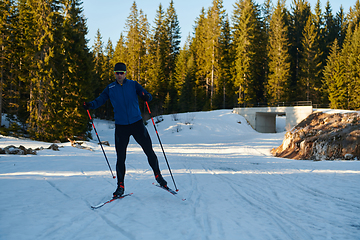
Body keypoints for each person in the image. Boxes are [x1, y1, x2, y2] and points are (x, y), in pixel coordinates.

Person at [83, 62, 167, 198]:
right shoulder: (110, 88)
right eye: (117, 73)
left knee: (149, 151)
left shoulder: (133, 84)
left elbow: (146, 94)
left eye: (122, 73)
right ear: (114, 73)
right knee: (120, 157)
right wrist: (90, 105)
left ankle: (158, 176)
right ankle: (120, 186)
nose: (119, 75)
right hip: (121, 127)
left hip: (137, 123)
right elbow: (100, 100)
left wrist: (147, 97)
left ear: (126, 73)